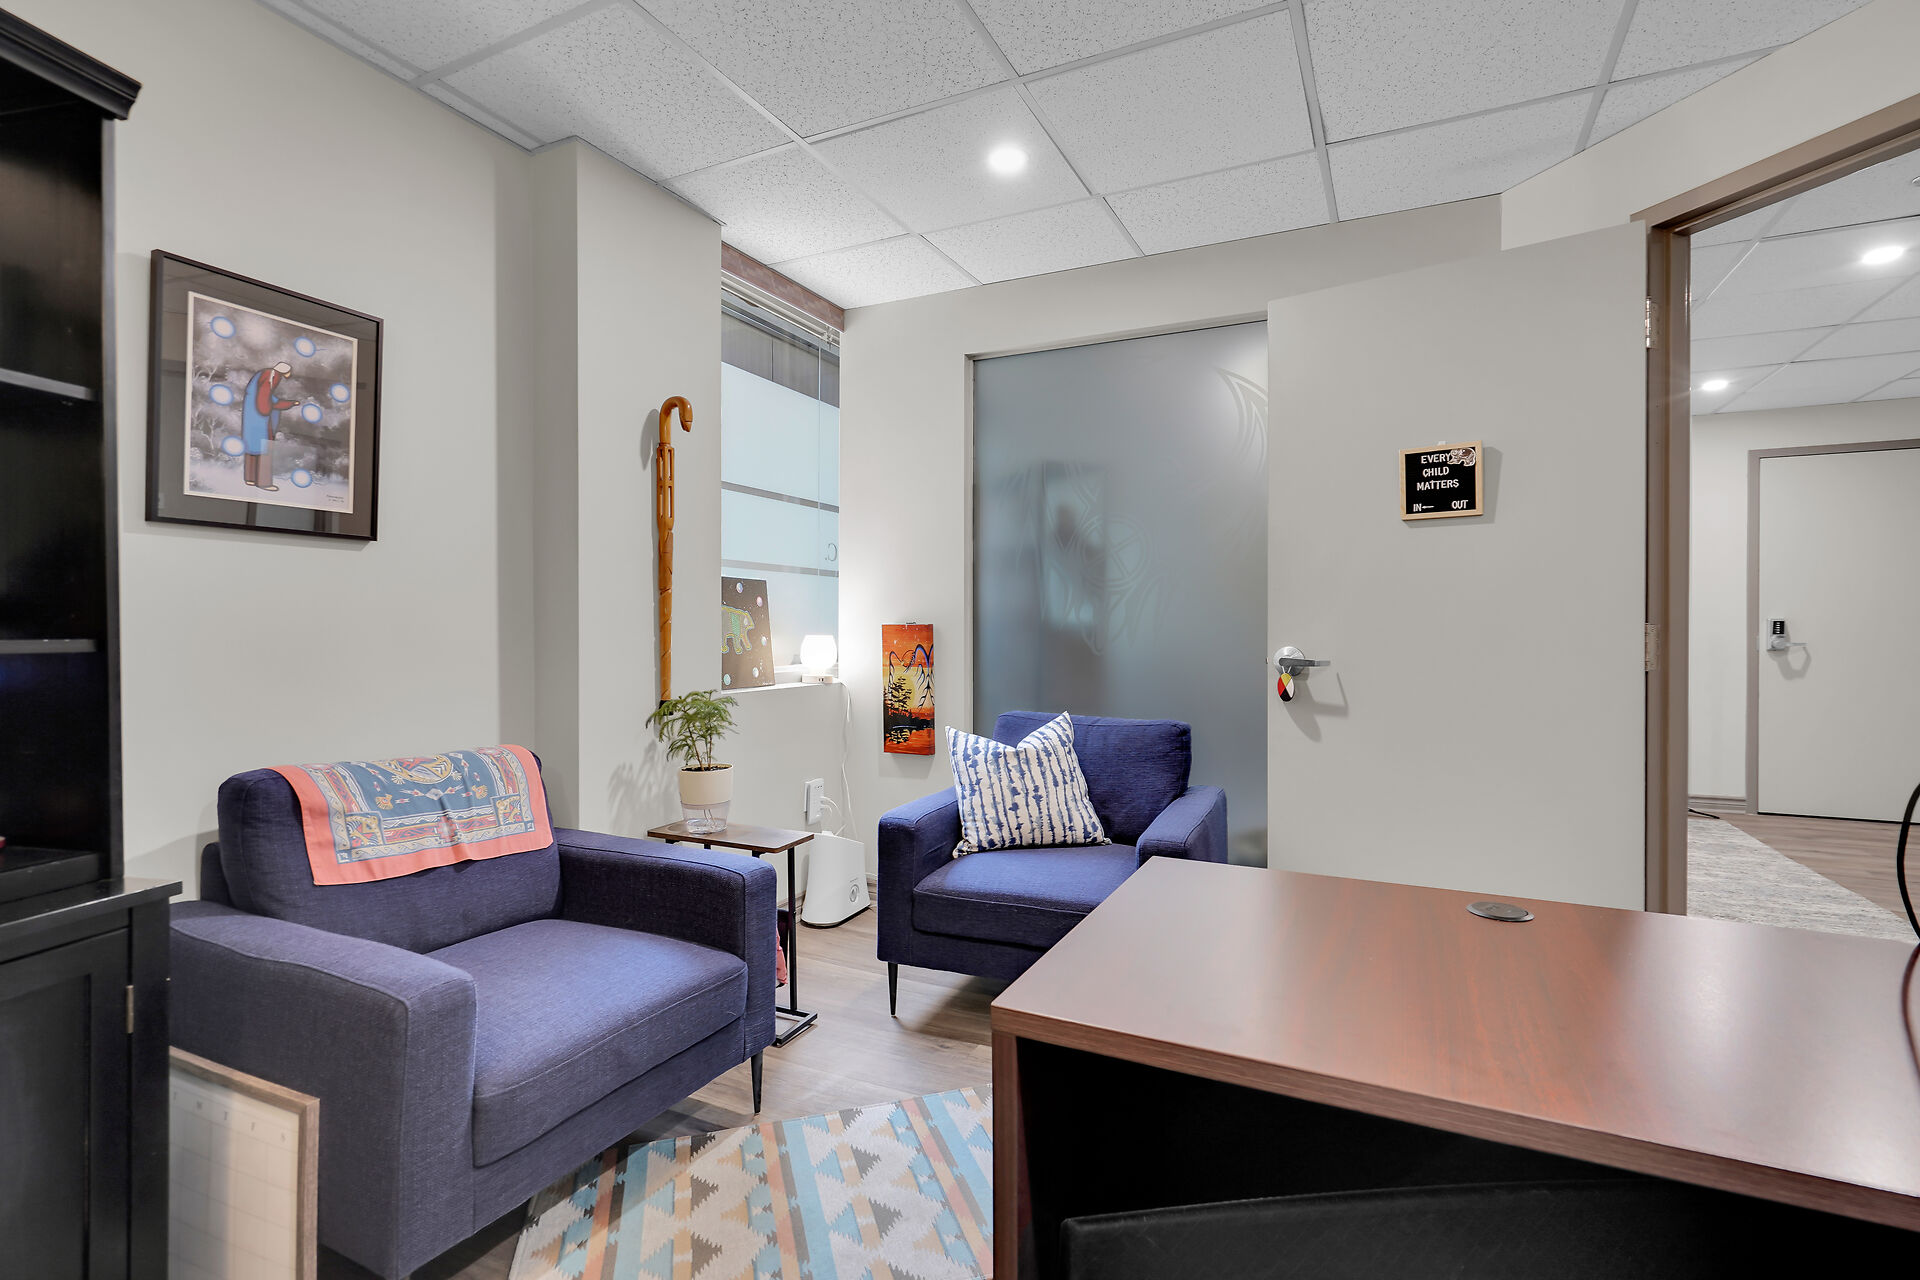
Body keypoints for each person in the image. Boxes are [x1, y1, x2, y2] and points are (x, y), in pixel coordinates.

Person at [241, 360, 298, 491]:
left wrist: (288, 404)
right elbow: (264, 400)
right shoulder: (270, 377)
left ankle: (250, 478)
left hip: (251, 415)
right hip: (259, 417)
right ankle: (264, 482)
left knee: (252, 445)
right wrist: (269, 409)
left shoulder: (263, 374)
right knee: (265, 446)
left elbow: (269, 398)